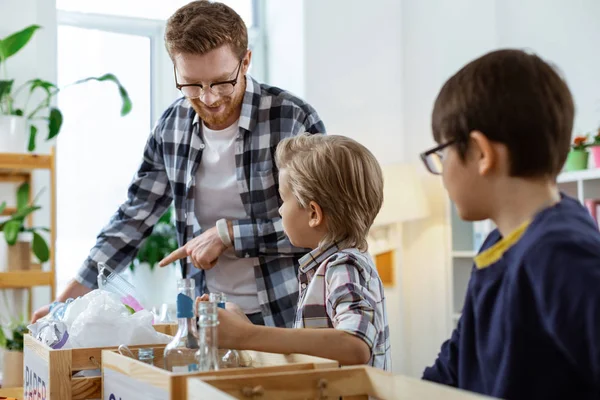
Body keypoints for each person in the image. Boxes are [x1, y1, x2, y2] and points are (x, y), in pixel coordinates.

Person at [32, 0, 325, 328]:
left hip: (290, 312)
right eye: (191, 85)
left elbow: (327, 224)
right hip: (209, 317)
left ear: (246, 62)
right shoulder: (172, 127)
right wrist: (68, 298)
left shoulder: (292, 119)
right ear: (175, 70)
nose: (209, 98)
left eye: (220, 82)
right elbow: (133, 217)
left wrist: (230, 235)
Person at [420, 49, 600, 398]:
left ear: (481, 153)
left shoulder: (560, 254)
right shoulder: (497, 244)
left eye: (442, 156)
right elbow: (455, 362)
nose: (441, 173)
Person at [198, 134, 391, 370]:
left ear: (313, 214)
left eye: (283, 199)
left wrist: (247, 335)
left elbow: (356, 345)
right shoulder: (331, 265)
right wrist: (243, 325)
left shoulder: (344, 266)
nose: (280, 210)